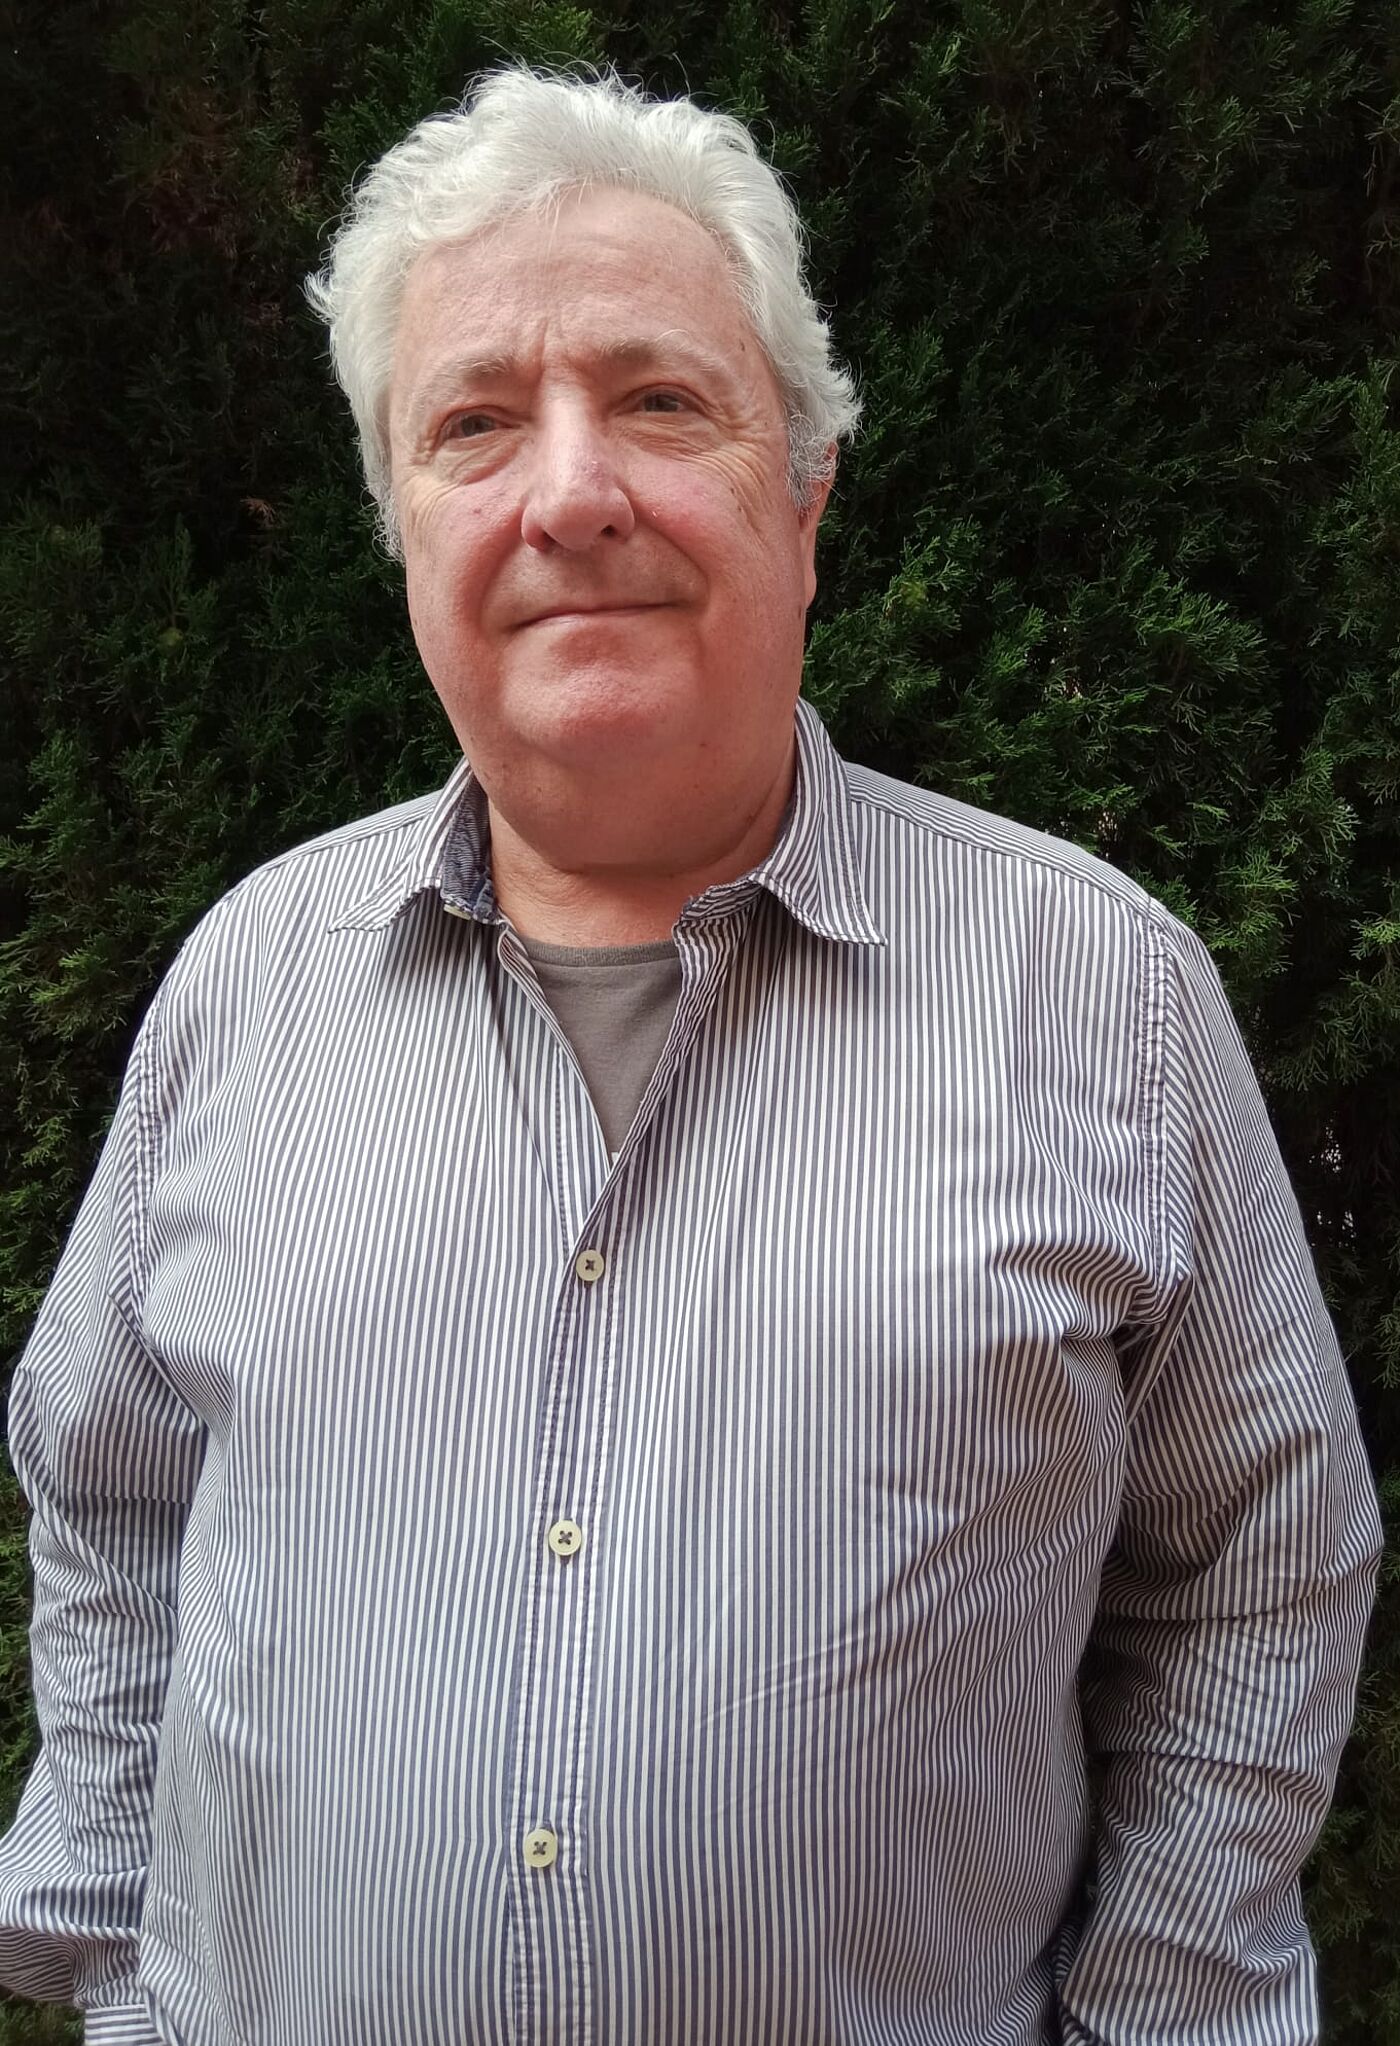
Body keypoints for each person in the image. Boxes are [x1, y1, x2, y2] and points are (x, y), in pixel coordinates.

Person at [0, 63, 1381, 2046]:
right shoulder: (247, 981)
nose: (570, 493)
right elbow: (110, 1497)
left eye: (659, 400)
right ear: (404, 530)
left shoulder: (1104, 996)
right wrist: (134, 1988)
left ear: (803, 499)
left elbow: (1254, 1575)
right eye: (474, 424)